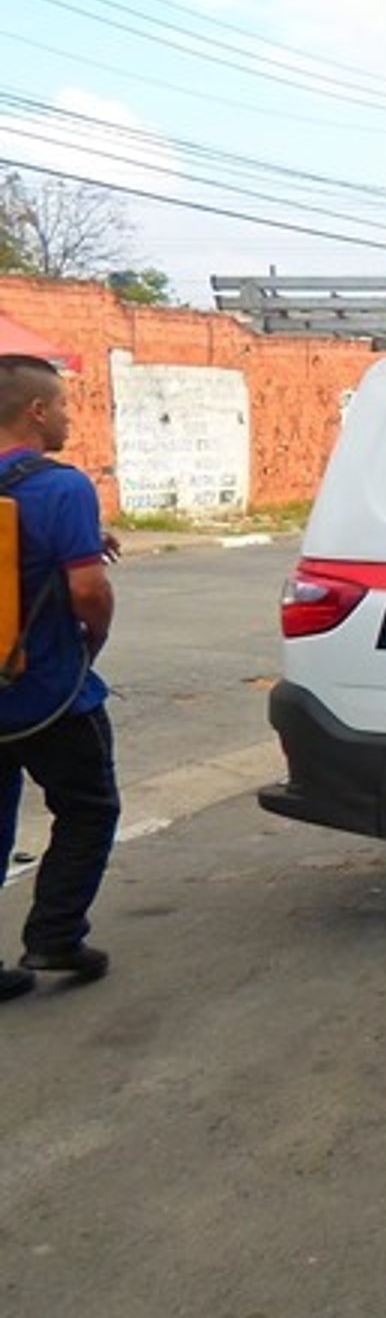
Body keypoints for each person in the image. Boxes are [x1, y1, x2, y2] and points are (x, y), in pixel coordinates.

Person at [0, 353, 119, 1003]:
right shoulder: (61, 487)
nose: (71, 417)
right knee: (88, 809)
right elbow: (88, 592)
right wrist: (91, 643)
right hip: (48, 696)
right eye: (66, 406)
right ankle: (54, 934)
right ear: (37, 411)